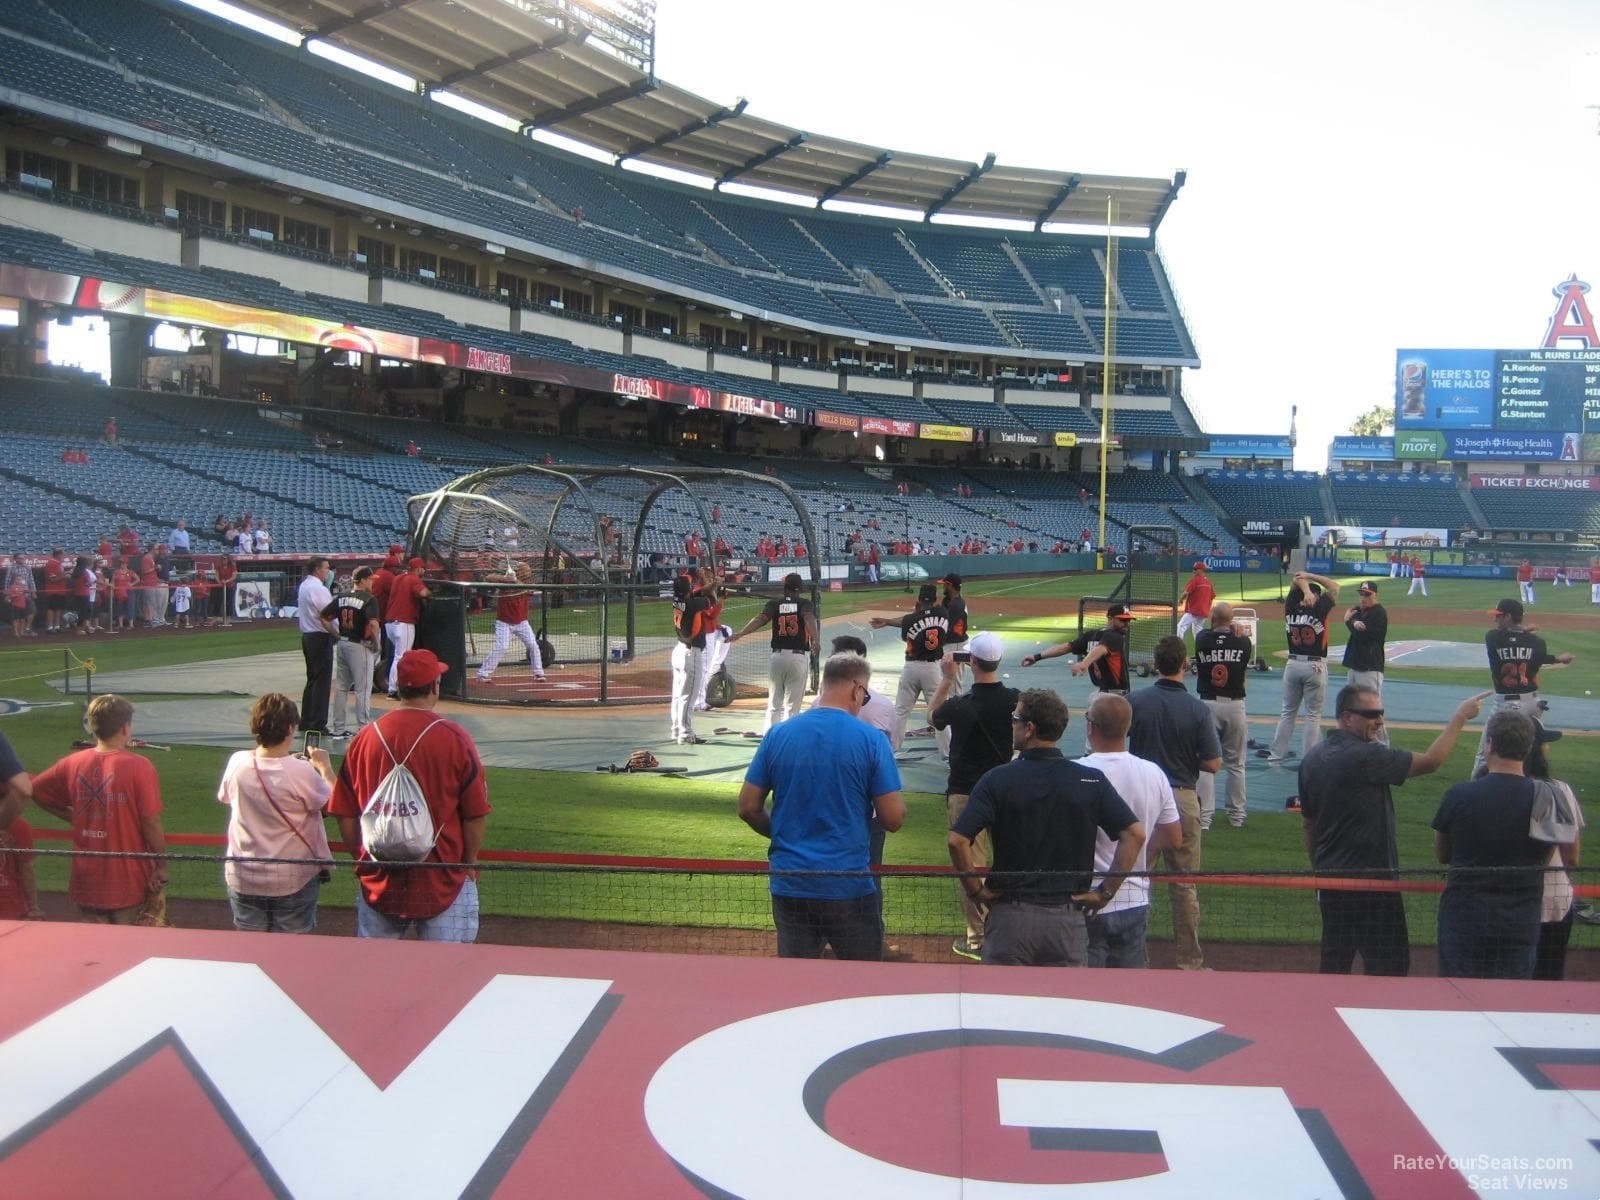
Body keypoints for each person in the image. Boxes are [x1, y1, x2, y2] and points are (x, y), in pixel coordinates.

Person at [948, 688, 1145, 967]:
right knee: (1064, 1008)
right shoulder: (1090, 780)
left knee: (1000, 1007)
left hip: (1010, 920)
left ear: (1029, 728)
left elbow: (957, 841)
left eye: (1015, 718)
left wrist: (976, 891)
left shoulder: (997, 780)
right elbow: (1135, 834)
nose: (1012, 724)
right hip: (1067, 923)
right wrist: (1105, 893)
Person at [1299, 685, 1487, 975]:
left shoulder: (1311, 759)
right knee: (1390, 968)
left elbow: (1309, 825)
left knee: (1335, 964)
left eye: (1381, 714)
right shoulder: (1368, 756)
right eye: (1372, 714)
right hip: (1374, 884)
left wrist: (1320, 873)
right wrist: (1460, 717)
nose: (1380, 721)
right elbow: (1431, 761)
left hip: (1332, 882)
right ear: (1347, 718)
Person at [738, 652, 905, 960]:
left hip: (790, 882)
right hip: (848, 884)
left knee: (797, 985)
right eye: (864, 696)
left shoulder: (778, 734)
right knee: (863, 987)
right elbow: (893, 818)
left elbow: (748, 807)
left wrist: (784, 835)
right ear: (857, 689)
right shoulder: (871, 740)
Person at [328, 650, 490, 942]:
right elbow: (475, 813)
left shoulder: (365, 738)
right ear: (434, 687)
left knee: (376, 979)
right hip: (443, 881)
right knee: (450, 980)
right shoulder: (455, 738)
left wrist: (362, 859)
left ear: (400, 687)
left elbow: (345, 811)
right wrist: (469, 862)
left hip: (380, 883)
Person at [1433, 710, 1574, 980]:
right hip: (1520, 921)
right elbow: (1550, 854)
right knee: (1511, 1004)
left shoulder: (1459, 794)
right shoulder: (1550, 797)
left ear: (1491, 745)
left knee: (1457, 1001)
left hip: (1465, 918)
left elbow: (1442, 854)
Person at [31, 695, 168, 923]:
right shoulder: (140, 766)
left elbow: (35, 790)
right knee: (127, 950)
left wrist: (75, 818)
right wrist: (162, 865)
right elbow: (150, 822)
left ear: (93, 728)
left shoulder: (72, 763)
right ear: (125, 728)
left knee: (96, 950)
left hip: (86, 880)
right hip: (128, 880)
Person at [1128, 635, 1221, 970]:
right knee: (1184, 884)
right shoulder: (1197, 708)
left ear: (1156, 663)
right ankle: (1190, 962)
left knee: (1137, 881)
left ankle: (1135, 957)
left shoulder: (1137, 701)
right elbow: (1213, 763)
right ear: (1185, 664)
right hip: (1181, 797)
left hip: (1142, 799)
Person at [216, 693, 337, 933]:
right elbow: (336, 803)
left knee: (251, 950)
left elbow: (225, 797)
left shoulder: (238, 762)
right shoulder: (301, 771)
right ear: (290, 728)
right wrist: (325, 768)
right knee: (290, 953)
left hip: (243, 874)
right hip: (292, 876)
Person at [929, 631, 1016, 961]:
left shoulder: (959, 704)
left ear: (972, 662)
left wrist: (946, 679)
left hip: (966, 792)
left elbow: (932, 718)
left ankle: (977, 938)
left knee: (971, 866)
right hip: (1005, 789)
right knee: (1009, 861)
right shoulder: (1013, 699)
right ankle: (1008, 930)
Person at [1077, 693, 1181, 968]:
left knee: (1084, 994)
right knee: (1129, 993)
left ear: (1091, 727)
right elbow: (1173, 836)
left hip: (1086, 897)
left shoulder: (1076, 771)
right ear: (1128, 728)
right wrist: (1139, 852)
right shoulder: (1153, 773)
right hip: (1133, 897)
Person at [1516, 720, 1585, 981]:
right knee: (1548, 979)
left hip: (1503, 902)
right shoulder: (1559, 790)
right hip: (1553, 900)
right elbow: (1573, 856)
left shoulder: (1483, 788)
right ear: (1535, 748)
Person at [1476, 598, 1575, 773]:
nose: (1495, 619)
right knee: (1534, 750)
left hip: (1508, 704)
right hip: (1534, 703)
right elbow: (1535, 659)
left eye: (1499, 616)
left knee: (1486, 752)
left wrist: (1521, 631)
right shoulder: (1537, 642)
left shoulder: (1492, 637)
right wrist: (1556, 659)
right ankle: (1536, 784)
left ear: (1508, 617)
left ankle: (1476, 791)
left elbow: (1508, 639)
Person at [1261, 571, 1339, 765]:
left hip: (1293, 664)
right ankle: (1310, 759)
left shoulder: (1290, 608)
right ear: (1316, 596)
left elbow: (1296, 579)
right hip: (1315, 665)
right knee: (1313, 715)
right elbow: (1335, 587)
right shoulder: (1319, 609)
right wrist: (1311, 576)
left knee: (1287, 712)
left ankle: (1277, 755)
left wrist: (1304, 586)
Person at [730, 572, 817, 732]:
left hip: (777, 657)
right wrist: (816, 640)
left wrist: (741, 633)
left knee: (774, 703)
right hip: (798, 657)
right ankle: (788, 739)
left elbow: (760, 620)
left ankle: (769, 736)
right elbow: (809, 619)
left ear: (784, 587)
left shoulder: (774, 604)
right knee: (792, 706)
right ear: (800, 588)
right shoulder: (805, 603)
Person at [869, 583, 948, 752]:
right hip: (932, 669)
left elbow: (908, 625)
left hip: (911, 668)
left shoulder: (911, 618)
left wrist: (889, 621)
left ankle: (891, 750)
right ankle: (948, 754)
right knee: (939, 712)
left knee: (901, 712)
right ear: (935, 600)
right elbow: (930, 613)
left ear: (918, 600)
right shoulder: (943, 613)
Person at [1194, 601, 1251, 829]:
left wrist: (1224, 623)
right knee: (1236, 763)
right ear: (1232, 620)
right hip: (1235, 705)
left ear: (1213, 618)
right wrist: (1233, 626)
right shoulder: (1244, 641)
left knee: (1205, 764)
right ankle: (1237, 817)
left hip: (1207, 704)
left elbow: (1209, 629)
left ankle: (1204, 819)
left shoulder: (1202, 639)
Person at [1021, 602, 1137, 697]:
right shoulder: (1115, 636)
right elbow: (1101, 649)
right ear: (1110, 618)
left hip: (1102, 693)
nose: (1126, 624)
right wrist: (1084, 664)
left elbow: (1067, 647)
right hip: (1116, 696)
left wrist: (1037, 657)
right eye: (1122, 620)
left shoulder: (1092, 635)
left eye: (1128, 621)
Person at [323, 566, 381, 738]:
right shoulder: (369, 599)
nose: (372, 582)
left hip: (343, 644)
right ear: (362, 580)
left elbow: (323, 617)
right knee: (362, 689)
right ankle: (364, 728)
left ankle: (338, 729)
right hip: (360, 646)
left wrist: (336, 635)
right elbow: (373, 623)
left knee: (341, 688)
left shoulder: (342, 597)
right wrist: (376, 642)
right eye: (370, 579)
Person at [475, 563, 546, 686]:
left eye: (528, 570)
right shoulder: (505, 582)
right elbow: (489, 577)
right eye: (525, 570)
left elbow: (528, 589)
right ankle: (483, 673)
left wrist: (514, 580)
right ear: (518, 571)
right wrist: (507, 578)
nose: (528, 572)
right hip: (504, 622)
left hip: (522, 622)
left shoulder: (527, 583)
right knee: (502, 647)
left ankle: (538, 672)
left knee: (533, 645)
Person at [1342, 582, 1390, 746]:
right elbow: (1353, 617)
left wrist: (1349, 622)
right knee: (1353, 709)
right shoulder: (1361, 611)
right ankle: (1357, 747)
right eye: (1362, 594)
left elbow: (1365, 636)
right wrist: (1353, 621)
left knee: (1373, 712)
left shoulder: (1379, 614)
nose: (1364, 598)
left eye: (1367, 594)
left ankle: (1384, 748)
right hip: (1355, 667)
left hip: (1370, 669)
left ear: (1376, 595)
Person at [296, 558, 336, 736]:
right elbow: (327, 615)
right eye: (326, 568)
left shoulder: (305, 585)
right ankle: (318, 722)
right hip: (320, 636)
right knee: (322, 681)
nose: (328, 571)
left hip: (308, 635)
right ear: (317, 569)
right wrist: (337, 634)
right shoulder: (318, 589)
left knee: (313, 679)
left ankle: (306, 719)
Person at [669, 574, 710, 745]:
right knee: (688, 696)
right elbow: (710, 600)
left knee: (678, 696)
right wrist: (713, 587)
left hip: (679, 650)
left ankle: (677, 729)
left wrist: (711, 584)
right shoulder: (693, 604)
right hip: (690, 654)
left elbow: (697, 594)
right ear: (688, 590)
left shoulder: (678, 600)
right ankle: (685, 733)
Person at [383, 557, 429, 697]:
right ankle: (393, 689)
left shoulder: (398, 577)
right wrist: (430, 592)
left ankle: (394, 687)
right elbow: (423, 593)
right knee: (402, 656)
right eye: (422, 568)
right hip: (403, 622)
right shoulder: (413, 578)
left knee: (398, 655)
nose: (424, 570)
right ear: (417, 568)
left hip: (389, 623)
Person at [690, 568, 731, 713]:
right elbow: (712, 614)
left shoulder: (706, 591)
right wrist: (721, 600)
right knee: (702, 669)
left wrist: (720, 627)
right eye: (706, 574)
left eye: (711, 575)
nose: (710, 577)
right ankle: (698, 702)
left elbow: (712, 618)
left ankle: (715, 666)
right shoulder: (700, 591)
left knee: (728, 631)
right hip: (704, 634)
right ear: (700, 576)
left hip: (710, 631)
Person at [939, 574, 970, 697]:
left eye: (945, 584)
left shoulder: (956, 605)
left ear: (950, 585)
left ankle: (956, 710)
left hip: (956, 644)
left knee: (954, 685)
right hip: (949, 644)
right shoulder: (947, 601)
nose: (943, 587)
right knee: (945, 678)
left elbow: (948, 628)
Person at [1176, 562, 1215, 644]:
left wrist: (1180, 600)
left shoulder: (1195, 580)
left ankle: (1177, 649)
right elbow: (1212, 596)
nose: (1193, 571)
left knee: (1180, 626)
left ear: (1201, 570)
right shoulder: (1208, 582)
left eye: (1195, 569)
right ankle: (1200, 651)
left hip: (1194, 610)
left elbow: (1186, 593)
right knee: (1197, 630)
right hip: (1204, 612)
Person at [6, 553, 37, 638]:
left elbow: (31, 579)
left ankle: (26, 629)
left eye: (23, 558)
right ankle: (17, 632)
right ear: (15, 559)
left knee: (32, 610)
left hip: (27, 593)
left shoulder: (27, 567)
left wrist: (33, 592)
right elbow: (7, 581)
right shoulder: (12, 567)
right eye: (20, 558)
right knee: (16, 615)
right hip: (16, 595)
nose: (22, 559)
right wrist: (8, 594)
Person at [43, 548, 67, 633]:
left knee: (58, 608)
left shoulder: (58, 563)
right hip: (53, 590)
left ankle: (57, 626)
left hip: (60, 590)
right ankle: (50, 627)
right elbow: (52, 579)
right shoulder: (51, 563)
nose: (63, 556)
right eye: (62, 554)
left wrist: (66, 574)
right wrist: (65, 576)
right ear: (58, 554)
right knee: (51, 609)